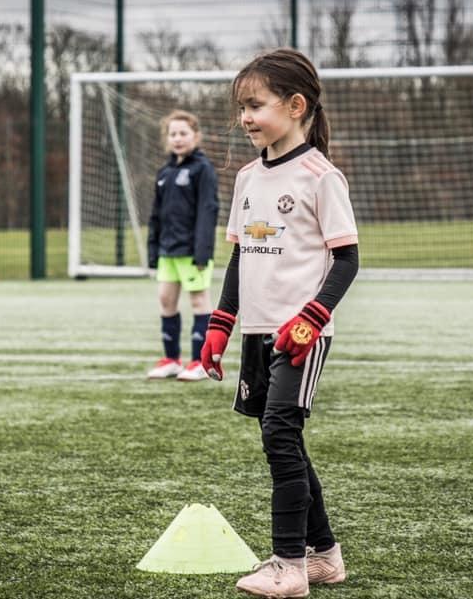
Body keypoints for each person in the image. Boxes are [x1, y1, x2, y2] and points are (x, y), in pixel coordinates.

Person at [200, 48, 360, 598]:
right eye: (240, 107)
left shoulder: (321, 177)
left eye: (255, 105)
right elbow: (242, 256)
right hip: (257, 331)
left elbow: (347, 260)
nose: (244, 117)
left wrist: (312, 318)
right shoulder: (247, 177)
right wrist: (221, 323)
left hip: (301, 336)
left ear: (295, 106)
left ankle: (289, 566)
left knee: (279, 433)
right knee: (283, 437)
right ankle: (326, 558)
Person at [146, 109, 219, 381]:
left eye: (183, 133)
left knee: (199, 301)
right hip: (168, 251)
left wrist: (203, 251)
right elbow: (155, 215)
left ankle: (200, 362)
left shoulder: (203, 169)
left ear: (196, 136)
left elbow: (208, 211)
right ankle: (171, 359)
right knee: (166, 300)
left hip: (192, 252)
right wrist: (153, 250)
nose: (178, 139)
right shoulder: (164, 173)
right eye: (173, 134)